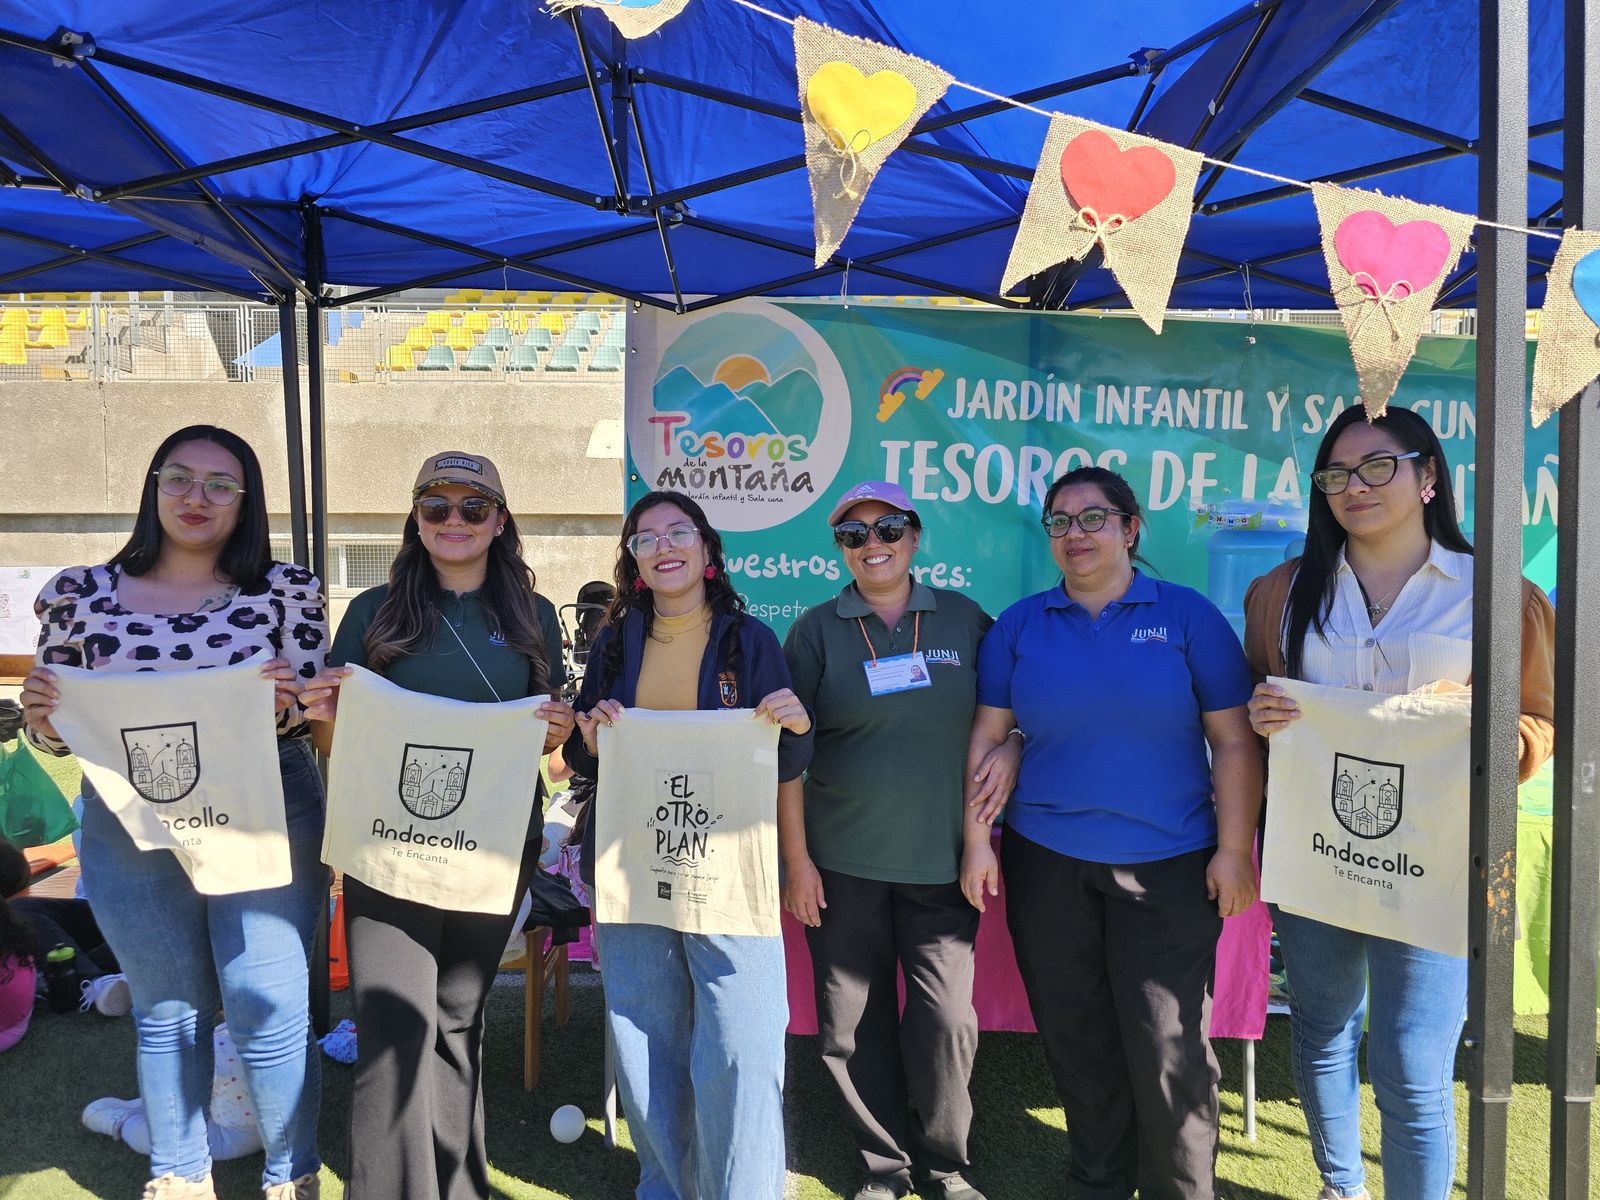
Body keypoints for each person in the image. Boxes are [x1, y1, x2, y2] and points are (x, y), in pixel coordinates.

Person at [1242, 405, 1555, 1200]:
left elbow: (1542, 719)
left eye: (1378, 466)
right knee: (1322, 1029)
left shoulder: (1496, 594)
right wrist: (1262, 711)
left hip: (1437, 859)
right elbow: (1254, 690)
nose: (1355, 486)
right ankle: (1339, 1186)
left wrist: (1492, 735)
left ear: (1427, 477)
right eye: (1337, 474)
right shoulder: (1282, 592)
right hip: (1317, 849)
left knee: (1413, 1063)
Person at [19, 424, 328, 1200]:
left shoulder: (287, 590)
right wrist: (43, 717)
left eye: (221, 484)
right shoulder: (78, 592)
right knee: (168, 1007)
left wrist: (297, 701)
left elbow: (318, 713)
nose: (198, 497)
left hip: (265, 805)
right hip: (129, 819)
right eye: (179, 478)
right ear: (153, 485)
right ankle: (179, 1174)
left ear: (247, 501)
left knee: (271, 1004)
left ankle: (293, 1178)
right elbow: (52, 727)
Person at [961, 466, 1261, 1200]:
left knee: (1167, 1043)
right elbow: (988, 736)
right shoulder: (1020, 625)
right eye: (1059, 522)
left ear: (1131, 529)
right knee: (1076, 1034)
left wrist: (1232, 848)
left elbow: (1234, 742)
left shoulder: (1188, 618)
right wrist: (975, 841)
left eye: (1093, 518)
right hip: (1047, 863)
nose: (1074, 535)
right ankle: (1097, 1178)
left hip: (1169, 866)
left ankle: (1181, 1188)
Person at [299, 450, 575, 1200]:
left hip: (492, 845)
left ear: (500, 521)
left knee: (458, 1017)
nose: (454, 521)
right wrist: (323, 716)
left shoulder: (535, 617)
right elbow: (334, 742)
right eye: (436, 505)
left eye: (473, 507)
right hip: (387, 846)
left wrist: (554, 731)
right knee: (392, 1028)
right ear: (415, 519)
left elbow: (550, 747)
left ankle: (458, 1187)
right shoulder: (373, 611)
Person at [563, 489, 814, 1200]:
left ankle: (746, 1189)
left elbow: (785, 761)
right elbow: (588, 760)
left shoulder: (750, 640)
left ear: (706, 551)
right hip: (631, 864)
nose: (664, 545)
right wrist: (590, 732)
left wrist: (794, 725)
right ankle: (667, 1186)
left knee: (742, 1041)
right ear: (635, 560)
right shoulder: (615, 640)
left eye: (679, 532)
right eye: (646, 538)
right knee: (647, 1037)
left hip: (731, 869)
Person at [780, 481, 1017, 1200]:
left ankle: (945, 1165)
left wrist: (1016, 747)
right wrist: (796, 862)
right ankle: (884, 1168)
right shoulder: (816, 630)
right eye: (853, 536)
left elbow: (1015, 711)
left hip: (942, 862)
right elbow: (787, 758)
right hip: (841, 864)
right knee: (851, 1027)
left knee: (946, 1023)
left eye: (886, 529)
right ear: (840, 551)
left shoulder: (967, 620)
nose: (871, 544)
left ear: (914, 537)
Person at [83, 1021, 265, 1162]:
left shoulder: (219, 1046)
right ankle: (134, 1113)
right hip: (259, 1121)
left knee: (169, 1142)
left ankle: (123, 1121)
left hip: (237, 1132)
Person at [0, 837, 130, 1015]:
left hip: (154, 919)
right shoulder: (89, 813)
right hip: (100, 911)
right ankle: (88, 978)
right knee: (19, 908)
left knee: (154, 934)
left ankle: (89, 979)